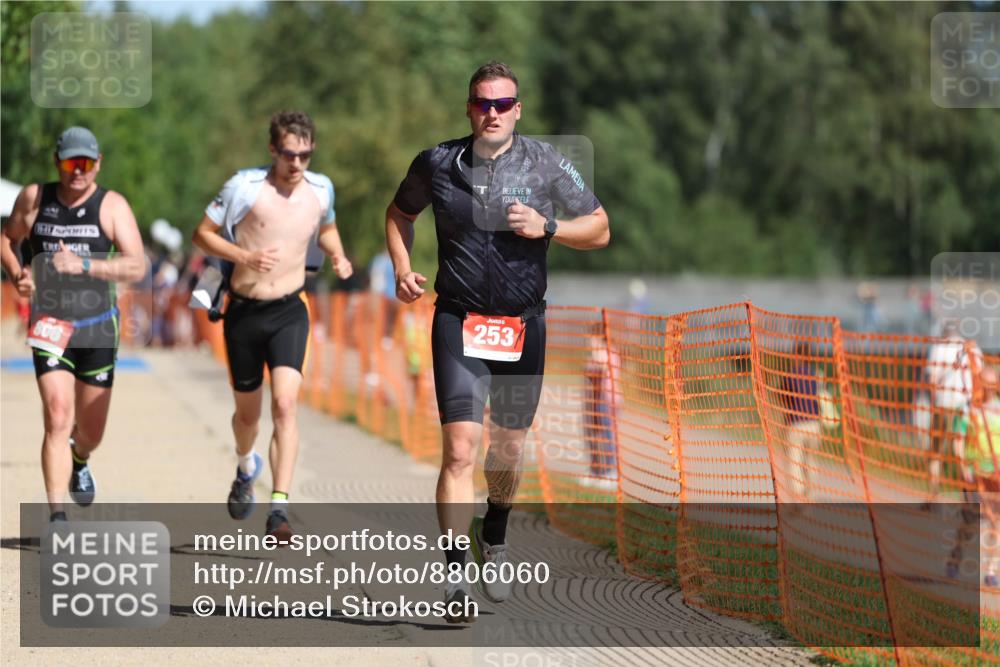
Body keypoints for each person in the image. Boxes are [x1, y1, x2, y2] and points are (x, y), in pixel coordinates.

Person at [385, 61, 610, 620]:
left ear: (518, 109)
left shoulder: (546, 164)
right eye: (483, 103)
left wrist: (548, 226)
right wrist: (401, 266)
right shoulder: (436, 162)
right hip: (458, 321)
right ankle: (456, 577)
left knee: (506, 450)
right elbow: (398, 214)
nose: (493, 113)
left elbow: (601, 228)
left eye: (503, 104)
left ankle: (496, 532)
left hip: (523, 325)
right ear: (468, 107)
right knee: (459, 449)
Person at [192, 111, 353, 539]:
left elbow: (328, 228)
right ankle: (246, 466)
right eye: (288, 155)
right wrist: (244, 257)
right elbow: (201, 235)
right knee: (247, 416)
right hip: (244, 312)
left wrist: (336, 254)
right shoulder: (244, 187)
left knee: (285, 404)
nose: (296, 164)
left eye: (305, 155)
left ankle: (279, 508)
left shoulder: (321, 189)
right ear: (272, 150)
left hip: (289, 310)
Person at [0, 126, 145, 521]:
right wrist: (17, 272)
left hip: (98, 327)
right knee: (58, 416)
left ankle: (80, 459)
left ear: (98, 164)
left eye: (85, 163)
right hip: (50, 323)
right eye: (70, 163)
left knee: (90, 432)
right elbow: (6, 238)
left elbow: (137, 264)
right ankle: (57, 517)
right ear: (57, 163)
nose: (77, 171)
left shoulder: (112, 206)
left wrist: (83, 264)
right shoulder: (34, 198)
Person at [946, 365, 1000, 586]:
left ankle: (991, 570)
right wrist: (963, 468)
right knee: (971, 523)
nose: (986, 387)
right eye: (982, 382)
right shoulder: (967, 409)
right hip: (974, 474)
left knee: (996, 523)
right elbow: (957, 439)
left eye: (990, 383)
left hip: (995, 477)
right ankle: (955, 559)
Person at [924, 322, 983, 506]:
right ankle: (968, 497)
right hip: (964, 407)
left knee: (935, 452)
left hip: (943, 405)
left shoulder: (938, 348)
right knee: (961, 454)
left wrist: (932, 401)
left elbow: (932, 381)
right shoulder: (973, 348)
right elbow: (979, 376)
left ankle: (933, 495)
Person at [780, 342, 822, 501]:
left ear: (796, 355)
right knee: (810, 460)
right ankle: (810, 494)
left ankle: (798, 496)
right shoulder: (815, 375)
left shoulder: (791, 375)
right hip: (814, 424)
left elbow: (783, 395)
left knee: (794, 460)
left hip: (796, 423)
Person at [581, 334, 621, 491]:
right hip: (595, 401)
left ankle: (611, 473)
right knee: (594, 435)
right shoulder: (595, 355)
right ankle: (595, 471)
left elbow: (603, 369)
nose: (590, 343)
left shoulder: (609, 353)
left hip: (608, 400)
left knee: (608, 436)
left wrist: (596, 353)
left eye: (593, 339)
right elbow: (588, 371)